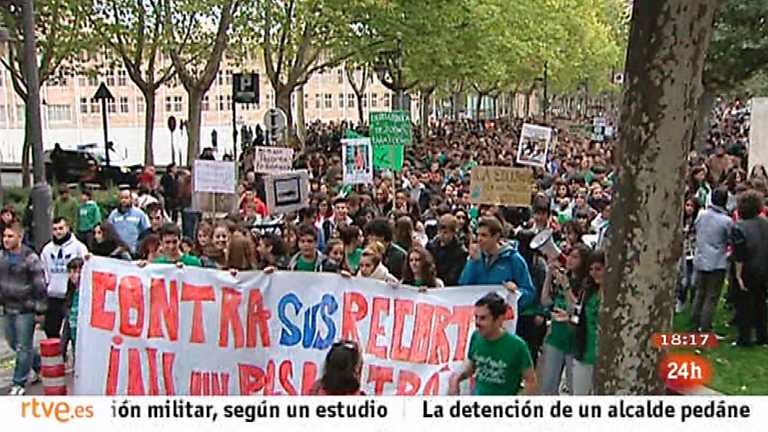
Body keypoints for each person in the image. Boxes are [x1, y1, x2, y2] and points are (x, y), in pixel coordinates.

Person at [448, 292, 536, 395]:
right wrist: (456, 378)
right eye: (476, 317)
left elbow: (531, 382)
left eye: (483, 318)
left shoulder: (517, 346)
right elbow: (471, 366)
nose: (477, 323)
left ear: (499, 319)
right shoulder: (476, 336)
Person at [0, 222, 46, 395]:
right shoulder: (2, 257)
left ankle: (19, 382)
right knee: (13, 342)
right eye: (4, 236)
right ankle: (39, 364)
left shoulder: (30, 258)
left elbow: (39, 285)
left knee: (23, 346)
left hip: (25, 309)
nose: (6, 240)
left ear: (19, 237)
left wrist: (40, 310)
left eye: (10, 236)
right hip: (8, 307)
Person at [538, 244, 591, 395]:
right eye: (569, 256)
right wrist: (549, 276)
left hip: (574, 341)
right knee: (548, 386)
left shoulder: (585, 284)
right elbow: (545, 301)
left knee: (574, 388)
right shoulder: (562, 277)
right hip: (555, 338)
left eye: (575, 257)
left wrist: (566, 286)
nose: (569, 260)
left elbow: (576, 309)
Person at [458, 217, 535, 309]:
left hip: (502, 314)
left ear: (496, 236)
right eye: (477, 235)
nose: (479, 239)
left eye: (484, 235)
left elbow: (529, 292)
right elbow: (463, 287)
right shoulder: (475, 258)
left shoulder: (513, 258)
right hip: (479, 313)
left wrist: (516, 292)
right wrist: (472, 262)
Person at [691, 187, 733, 333]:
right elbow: (730, 239)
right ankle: (705, 326)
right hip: (717, 262)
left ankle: (694, 322)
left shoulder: (701, 215)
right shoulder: (726, 221)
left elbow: (696, 229)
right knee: (712, 296)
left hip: (701, 258)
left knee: (700, 293)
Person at [730, 189, 768, 346]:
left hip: (748, 269)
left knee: (744, 305)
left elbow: (739, 254)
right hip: (763, 268)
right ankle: (762, 335)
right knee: (761, 303)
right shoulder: (765, 223)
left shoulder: (739, 227)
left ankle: (744, 338)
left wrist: (738, 275)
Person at [40, 217, 89, 339]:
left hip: (71, 295)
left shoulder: (79, 247)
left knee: (71, 330)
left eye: (61, 228)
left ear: (67, 228)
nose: (58, 232)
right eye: (55, 229)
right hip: (53, 294)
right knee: (50, 329)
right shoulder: (47, 249)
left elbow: (86, 267)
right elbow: (44, 270)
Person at [571, 250, 604, 395]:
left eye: (598, 269)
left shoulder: (617, 296)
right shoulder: (588, 291)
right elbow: (578, 315)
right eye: (591, 269)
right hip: (584, 352)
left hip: (605, 356)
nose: (593, 273)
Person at [427, 214, 468, 286]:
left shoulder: (460, 251)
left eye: (445, 232)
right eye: (439, 231)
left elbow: (454, 276)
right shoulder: (431, 246)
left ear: (453, 232)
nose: (442, 235)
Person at [107, 188, 150, 255]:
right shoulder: (113, 214)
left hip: (134, 251)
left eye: (126, 198)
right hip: (117, 251)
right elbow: (108, 231)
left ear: (131, 199)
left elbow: (146, 231)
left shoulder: (140, 214)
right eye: (122, 198)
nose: (124, 200)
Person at [61, 257, 83, 363]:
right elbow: (68, 323)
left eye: (75, 272)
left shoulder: (88, 293)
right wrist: (63, 347)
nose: (72, 275)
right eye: (69, 272)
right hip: (74, 336)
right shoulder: (72, 292)